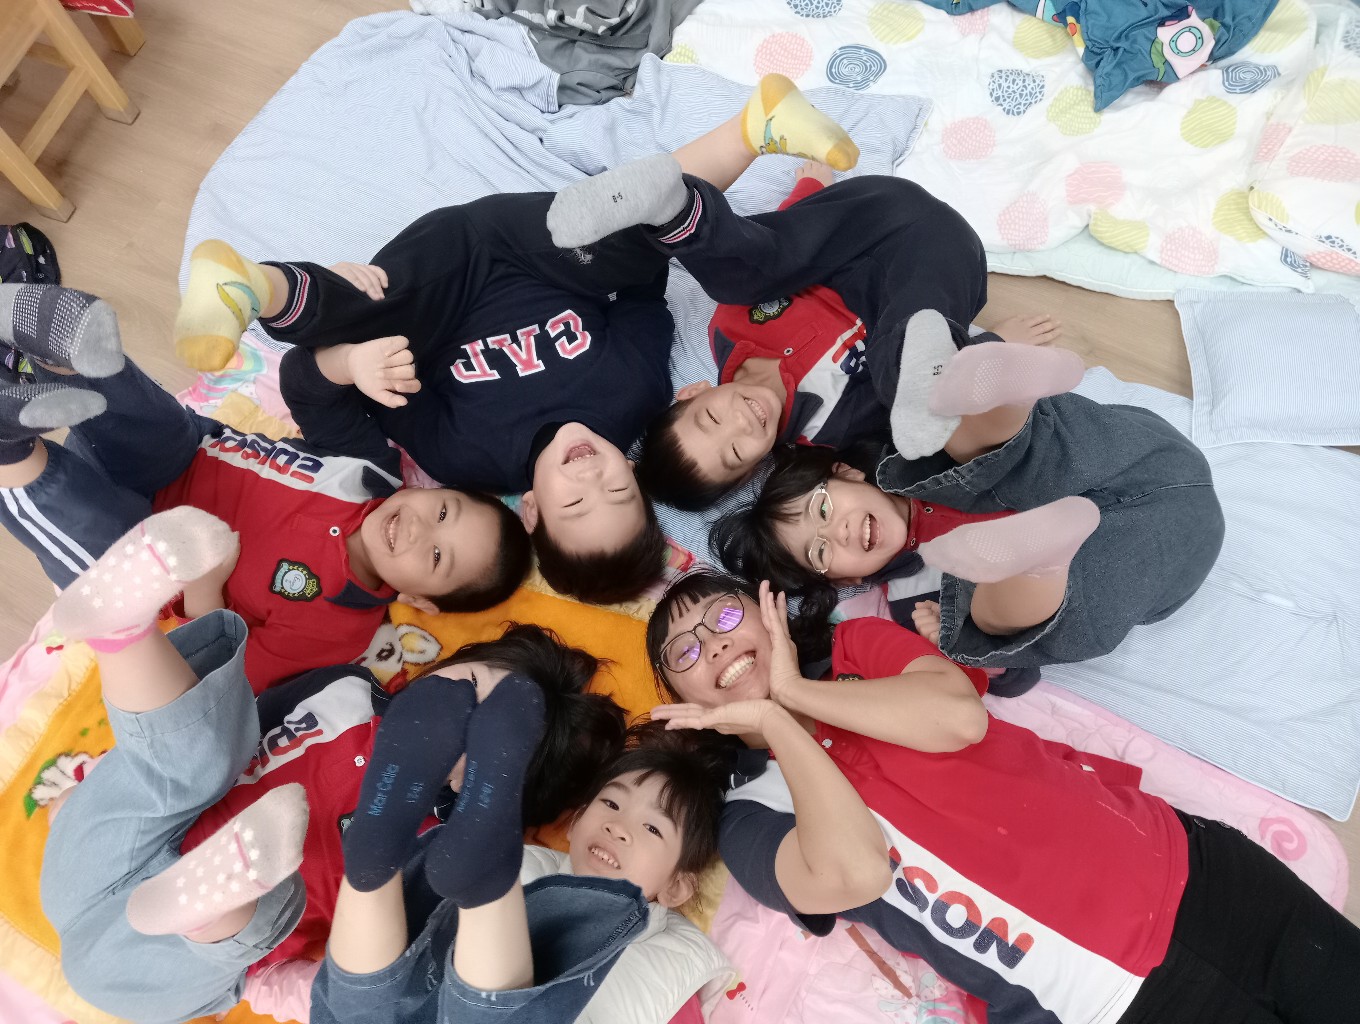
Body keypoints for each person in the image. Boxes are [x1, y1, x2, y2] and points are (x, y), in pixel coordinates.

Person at [173, 74, 861, 603]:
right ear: (632, 473)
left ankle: (252, 287)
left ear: (531, 509)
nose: (591, 476)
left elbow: (326, 389)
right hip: (530, 245)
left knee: (372, 317)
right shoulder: (633, 395)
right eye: (618, 491)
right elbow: (642, 293)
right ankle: (752, 127)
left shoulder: (465, 458)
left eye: (574, 503)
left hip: (435, 280)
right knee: (625, 240)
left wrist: (358, 364)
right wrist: (620, 250)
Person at [647, 572, 1360, 1023]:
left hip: (1193, 872)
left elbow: (958, 719)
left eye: (723, 617)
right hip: (1107, 1004)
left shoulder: (858, 646)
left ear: (766, 609)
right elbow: (854, 872)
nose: (713, 644)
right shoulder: (748, 815)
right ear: (681, 698)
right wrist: (776, 724)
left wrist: (796, 692)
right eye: (685, 652)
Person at [0, 285, 529, 691]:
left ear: (420, 600)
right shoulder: (371, 470)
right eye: (443, 511)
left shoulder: (336, 631)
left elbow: (216, 672)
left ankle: (13, 446)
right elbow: (305, 382)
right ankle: (58, 343)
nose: (418, 529)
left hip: (153, 553)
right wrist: (351, 364)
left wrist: (207, 587)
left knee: (108, 557)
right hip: (177, 454)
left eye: (436, 556)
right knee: (159, 425)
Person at [711, 310, 1224, 684]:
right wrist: (956, 650)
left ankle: (989, 387)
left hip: (1130, 455)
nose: (837, 531)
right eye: (821, 551)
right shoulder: (911, 605)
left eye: (823, 508)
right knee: (982, 627)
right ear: (845, 580)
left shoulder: (901, 451)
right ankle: (1037, 563)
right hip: (1164, 551)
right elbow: (1018, 677)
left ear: (845, 472)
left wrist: (991, 343)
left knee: (960, 448)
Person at [178, 621, 627, 975]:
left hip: (217, 939)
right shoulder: (346, 687)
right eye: (472, 680)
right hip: (177, 804)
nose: (462, 707)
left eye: (485, 734)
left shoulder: (437, 848)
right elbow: (240, 724)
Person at [617, 157, 1058, 510]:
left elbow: (779, 245)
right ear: (753, 471)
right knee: (900, 369)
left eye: (711, 419)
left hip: (868, 213)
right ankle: (944, 361)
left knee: (743, 281)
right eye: (735, 453)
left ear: (693, 392)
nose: (740, 423)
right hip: (933, 261)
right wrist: (996, 345)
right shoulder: (828, 427)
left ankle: (679, 218)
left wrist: (810, 191)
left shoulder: (726, 327)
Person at [39, 505, 312, 1024]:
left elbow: (316, 993)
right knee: (195, 761)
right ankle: (121, 634)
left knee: (189, 769)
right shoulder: (341, 690)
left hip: (132, 961)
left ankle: (119, 639)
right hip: (91, 868)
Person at [307, 715, 734, 1024]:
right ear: (576, 821)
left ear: (677, 887)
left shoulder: (672, 959)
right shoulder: (522, 862)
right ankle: (374, 864)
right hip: (401, 1005)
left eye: (652, 828)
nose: (617, 826)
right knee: (369, 984)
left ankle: (403, 845)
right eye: (610, 802)